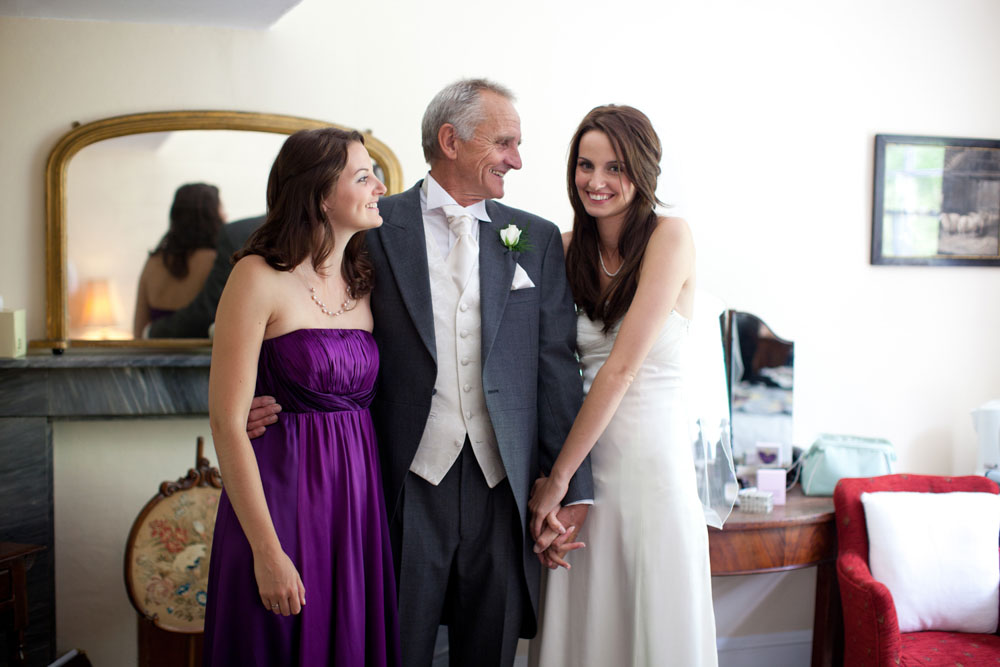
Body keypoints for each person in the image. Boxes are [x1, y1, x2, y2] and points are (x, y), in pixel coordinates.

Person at [248, 79, 594, 667]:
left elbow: (557, 367)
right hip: (399, 482)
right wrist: (263, 393)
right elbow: (304, 304)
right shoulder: (372, 226)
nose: (517, 159)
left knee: (491, 652)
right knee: (394, 650)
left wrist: (571, 485)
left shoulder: (533, 238)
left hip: (503, 485)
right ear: (450, 140)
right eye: (505, 142)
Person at [527, 105, 718, 666]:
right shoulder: (561, 250)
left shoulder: (670, 237)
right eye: (585, 166)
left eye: (615, 168)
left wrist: (555, 480)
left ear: (643, 172)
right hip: (584, 465)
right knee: (585, 623)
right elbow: (544, 367)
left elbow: (620, 369)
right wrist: (563, 478)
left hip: (648, 467)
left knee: (650, 617)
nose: (597, 181)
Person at [203, 127, 400, 666]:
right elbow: (226, 422)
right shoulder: (256, 276)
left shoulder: (365, 280)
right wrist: (267, 552)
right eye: (363, 177)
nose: (379, 187)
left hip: (355, 505)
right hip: (282, 499)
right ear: (319, 195)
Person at [133, 182, 225, 337]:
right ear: (212, 214)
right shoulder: (216, 262)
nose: (226, 215)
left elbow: (138, 331)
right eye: (221, 208)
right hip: (203, 360)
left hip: (154, 358)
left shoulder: (153, 262)